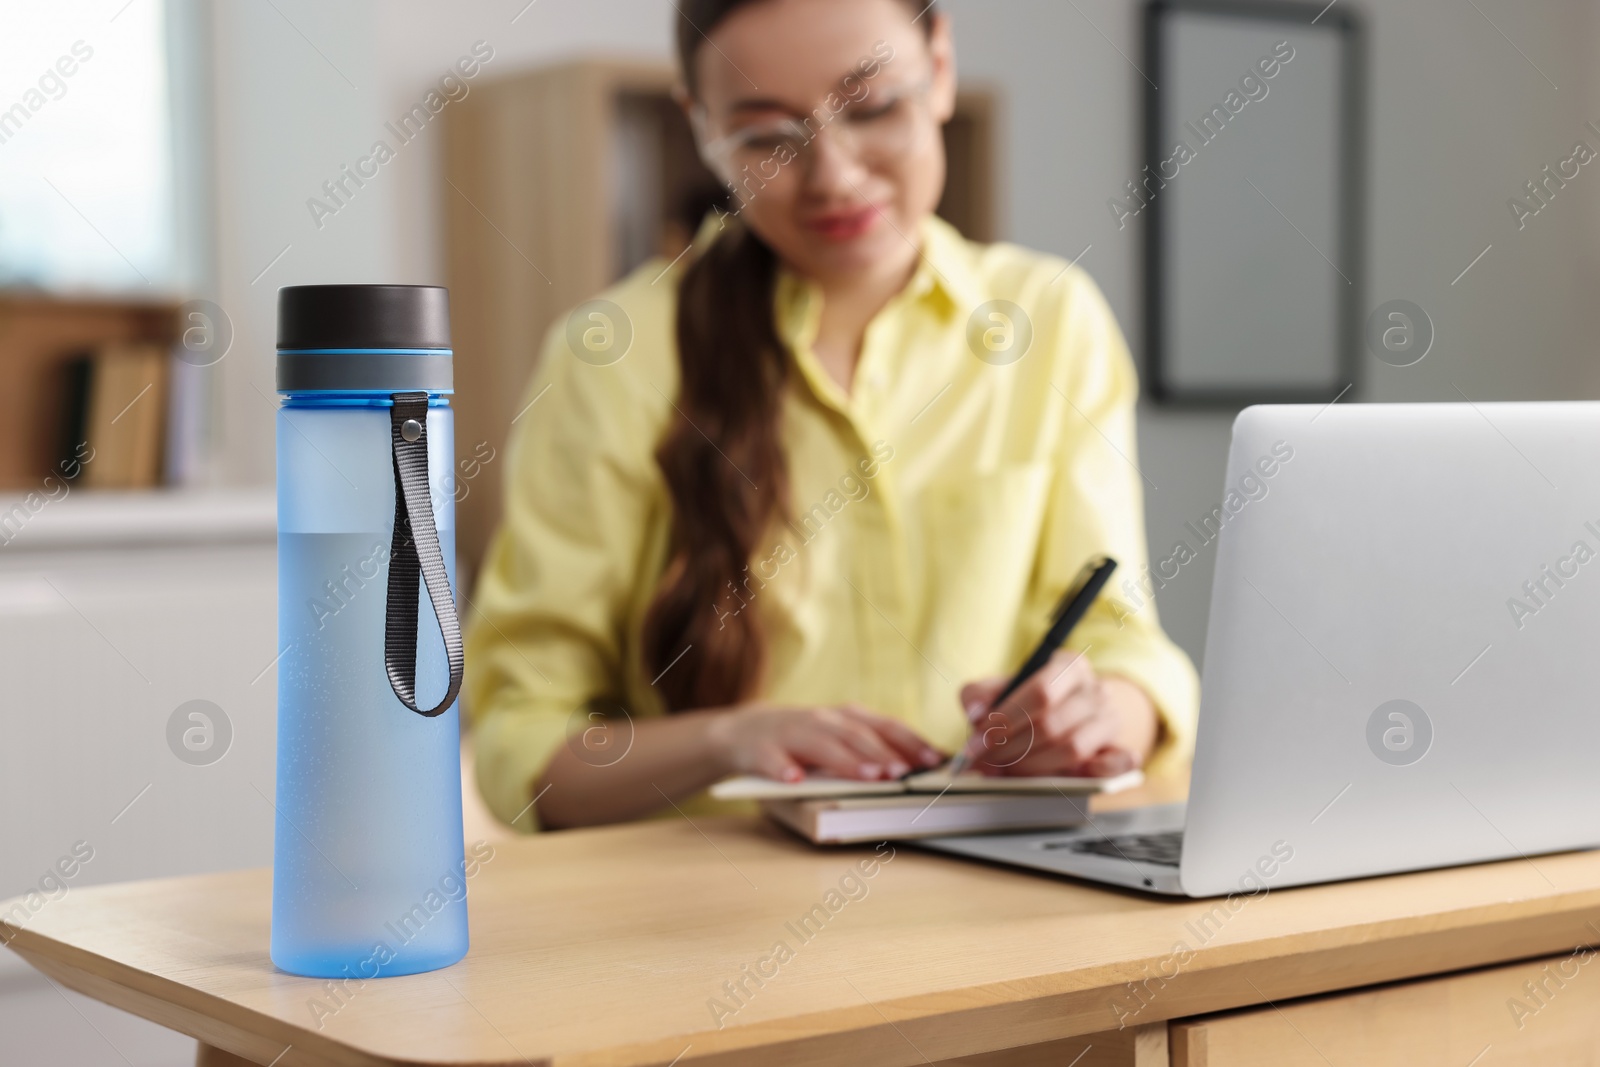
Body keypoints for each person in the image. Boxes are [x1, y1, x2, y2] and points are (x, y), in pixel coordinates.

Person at [465, 0, 1198, 832]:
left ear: (943, 68)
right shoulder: (613, 361)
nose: (834, 177)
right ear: (701, 127)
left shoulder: (1050, 321)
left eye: (874, 107)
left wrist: (1099, 716)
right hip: (708, 922)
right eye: (766, 135)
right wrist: (728, 742)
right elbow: (522, 745)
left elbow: (1123, 641)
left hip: (1000, 897)